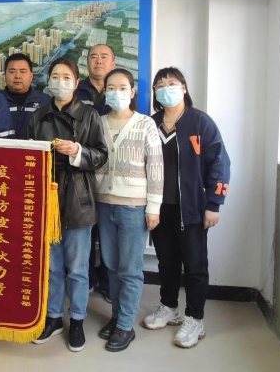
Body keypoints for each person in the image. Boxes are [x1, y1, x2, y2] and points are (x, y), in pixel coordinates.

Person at [142, 67, 230, 349]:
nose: (165, 88)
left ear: (184, 88)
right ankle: (169, 307)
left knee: (194, 264)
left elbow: (219, 164)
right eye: (160, 85)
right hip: (159, 207)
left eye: (172, 83)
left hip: (191, 208)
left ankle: (195, 318)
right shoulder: (151, 123)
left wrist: (214, 204)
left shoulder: (200, 122)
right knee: (166, 261)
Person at [28, 57, 108, 352]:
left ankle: (76, 320)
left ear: (76, 83)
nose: (59, 82)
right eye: (55, 76)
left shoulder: (89, 115)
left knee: (77, 267)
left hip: (77, 197)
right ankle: (53, 318)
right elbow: (28, 156)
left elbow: (101, 155)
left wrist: (77, 151)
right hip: (46, 197)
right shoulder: (39, 115)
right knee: (51, 266)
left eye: (66, 77)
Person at [95, 69, 163, 352]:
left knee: (130, 269)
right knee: (111, 265)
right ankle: (116, 317)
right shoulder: (98, 123)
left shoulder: (145, 124)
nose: (116, 93)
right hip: (104, 204)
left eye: (122, 87)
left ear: (132, 92)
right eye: (111, 88)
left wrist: (154, 207)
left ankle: (125, 326)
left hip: (134, 208)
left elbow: (156, 168)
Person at [75, 44, 116, 301]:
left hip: (113, 174)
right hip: (82, 171)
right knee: (86, 230)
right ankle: (87, 279)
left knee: (110, 234)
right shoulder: (76, 91)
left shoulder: (120, 90)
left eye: (104, 57)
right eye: (93, 57)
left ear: (113, 63)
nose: (98, 61)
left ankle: (108, 283)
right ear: (87, 62)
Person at [0, 53, 50, 140]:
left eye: (23, 71)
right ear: (5, 76)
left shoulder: (45, 101)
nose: (17, 76)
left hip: (33, 149)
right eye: (12, 72)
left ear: (31, 76)